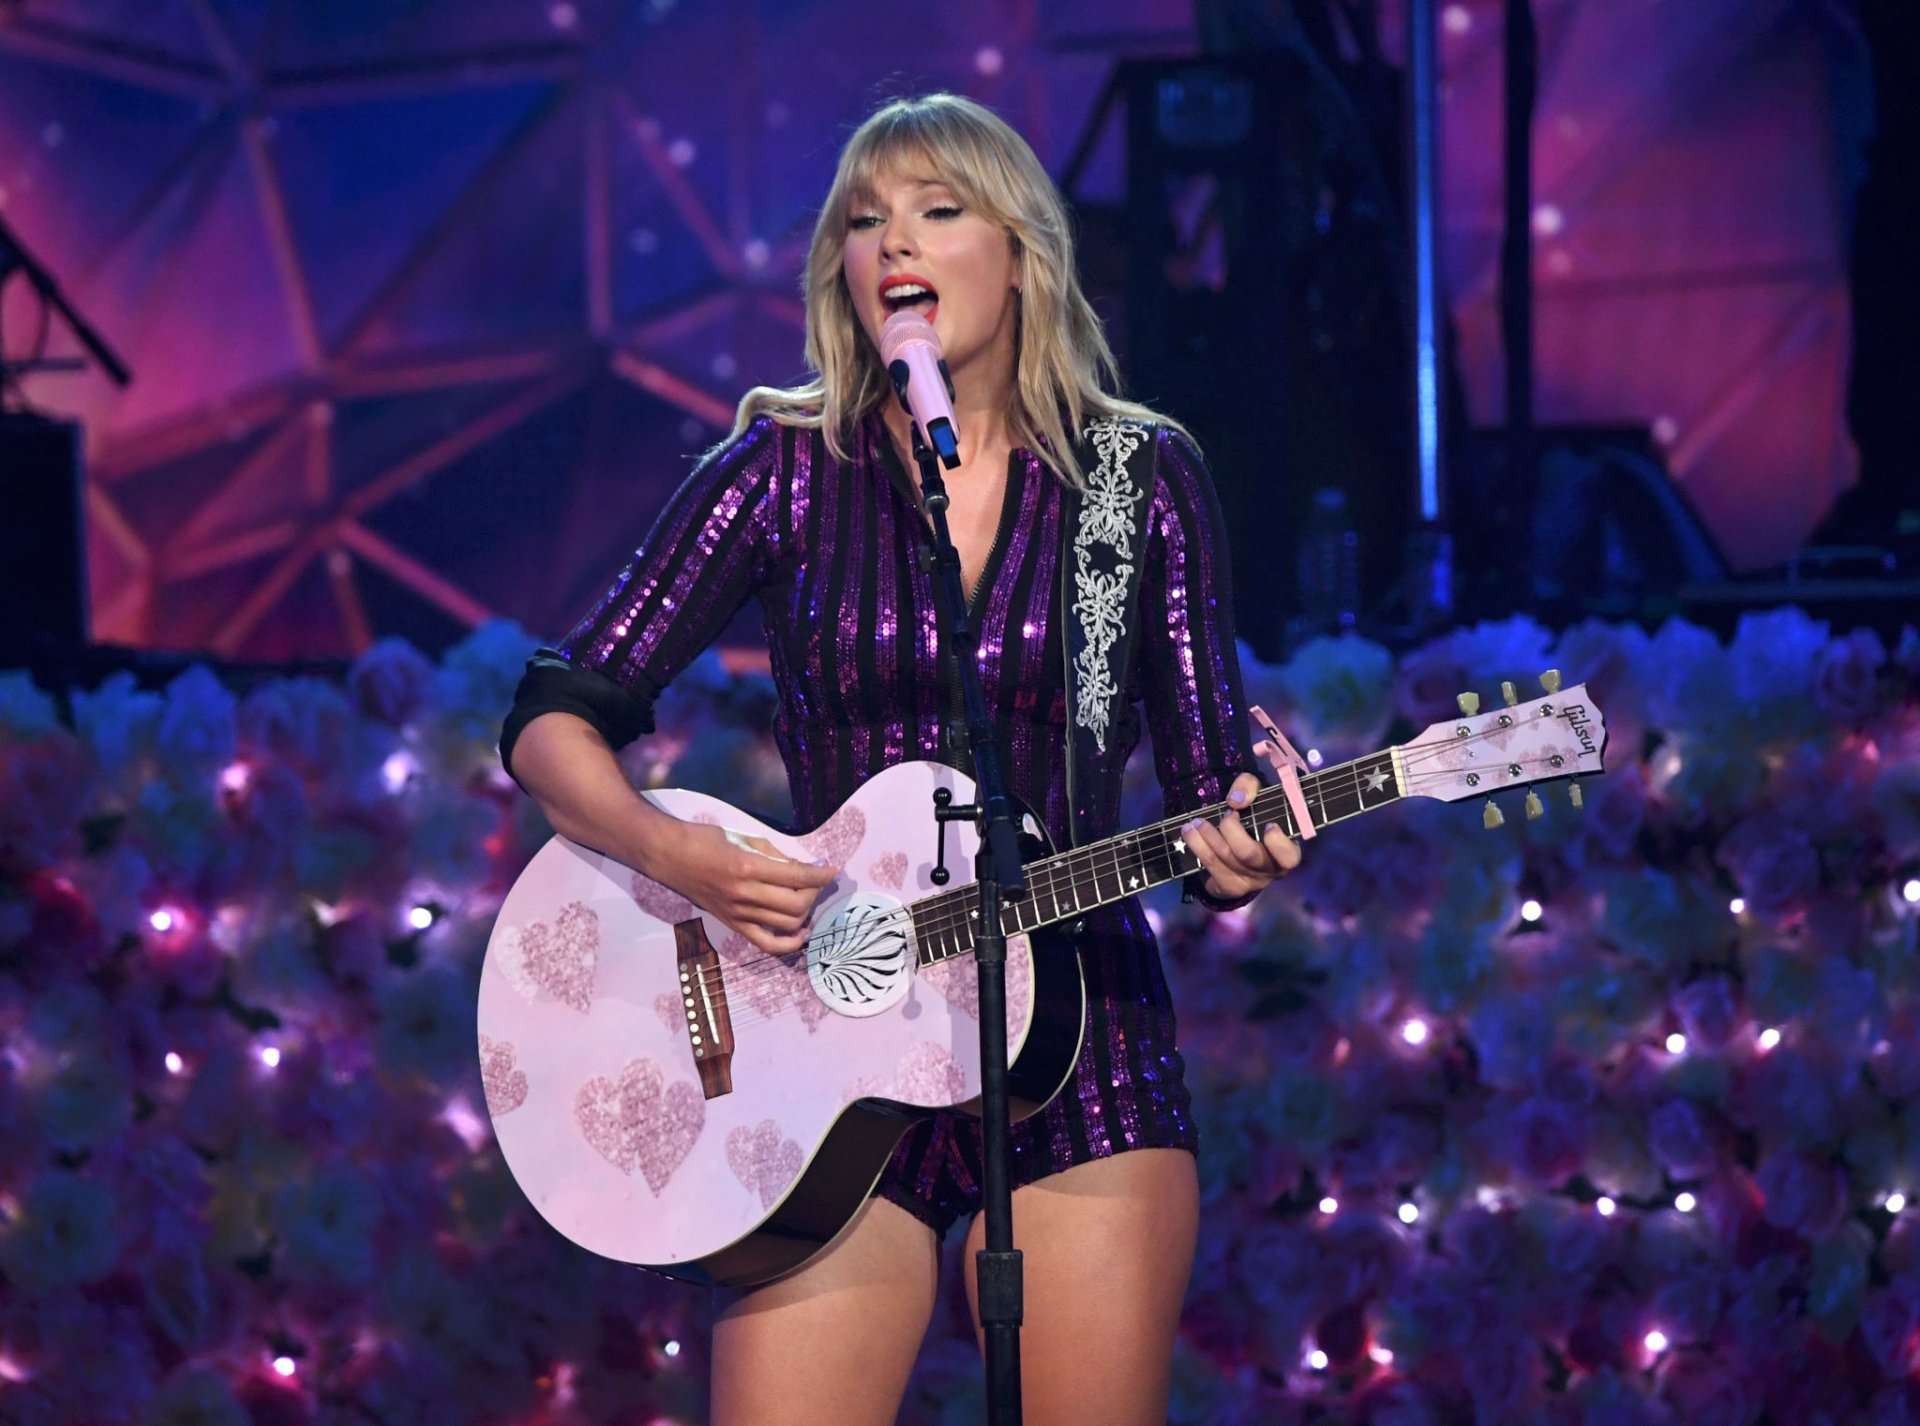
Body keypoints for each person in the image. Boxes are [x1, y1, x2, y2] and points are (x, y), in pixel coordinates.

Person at [499, 92, 1300, 1426]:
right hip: (816, 1055)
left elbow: (1215, 777)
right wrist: (681, 854)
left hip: (1081, 1046)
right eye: (864, 220)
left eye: (937, 209)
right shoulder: (782, 470)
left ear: (1022, 255)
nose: (895, 242)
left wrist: (1243, 843)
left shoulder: (1138, 477)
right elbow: (552, 713)